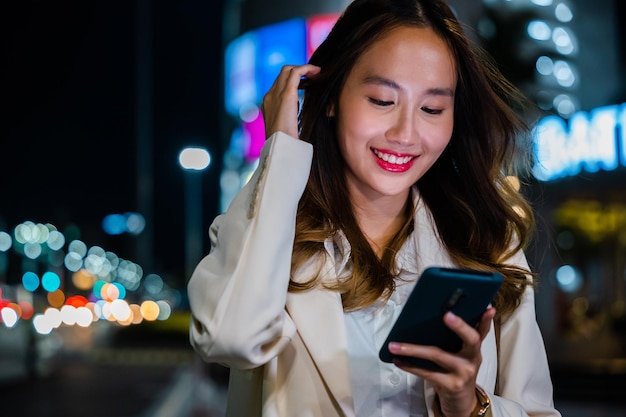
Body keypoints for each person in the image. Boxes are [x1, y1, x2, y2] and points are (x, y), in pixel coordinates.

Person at [187, 0, 561, 416]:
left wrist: (470, 405)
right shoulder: (266, 228)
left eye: (433, 109)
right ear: (332, 99)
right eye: (382, 100)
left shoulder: (486, 240)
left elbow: (538, 410)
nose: (405, 134)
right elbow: (230, 339)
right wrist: (281, 152)